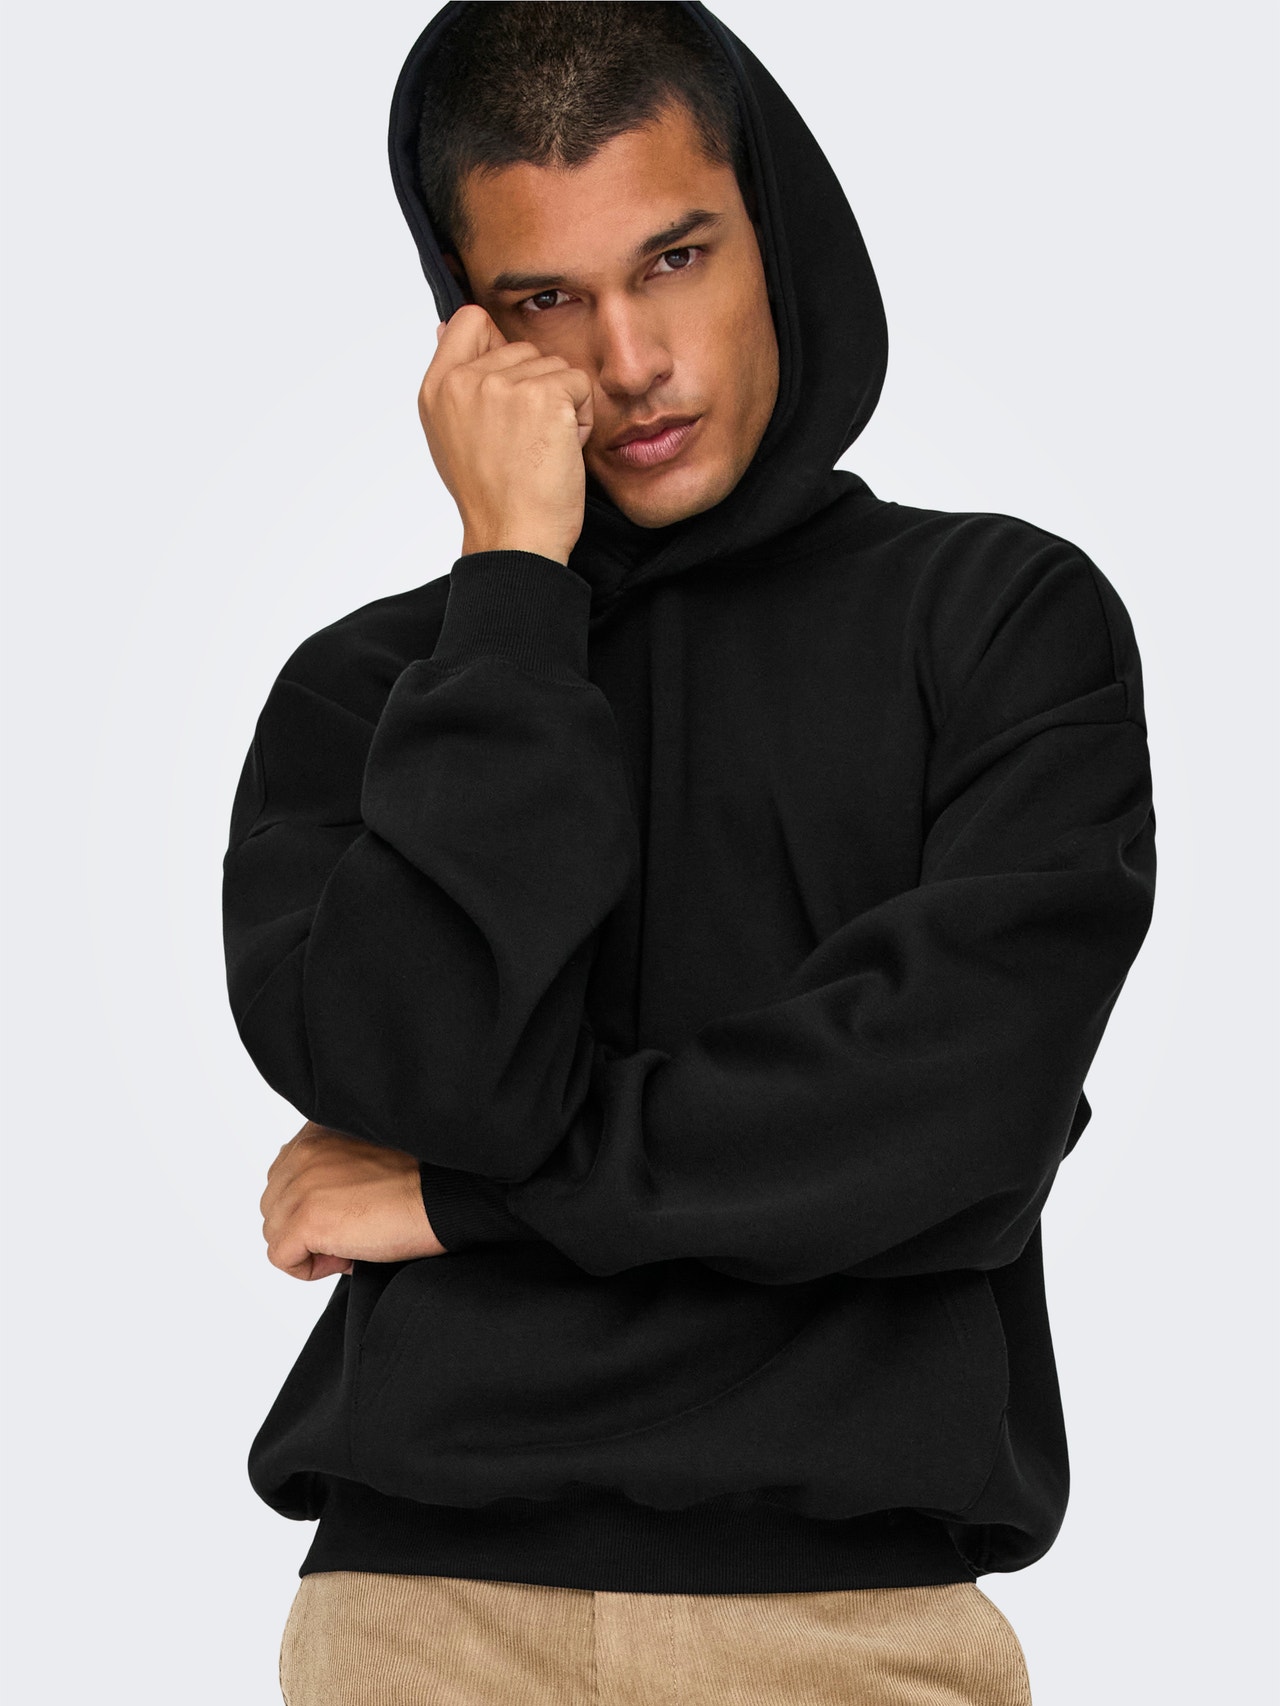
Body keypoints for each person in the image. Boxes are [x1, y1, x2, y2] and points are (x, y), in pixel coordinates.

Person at [220, 3, 1158, 1701]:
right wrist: (514, 587)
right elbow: (445, 1071)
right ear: (466, 328)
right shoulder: (373, 695)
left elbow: (947, 1124)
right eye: (545, 301)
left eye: (673, 258)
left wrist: (462, 1202)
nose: (631, 359)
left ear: (773, 231)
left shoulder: (1003, 622)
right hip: (419, 1615)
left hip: (853, 1631)